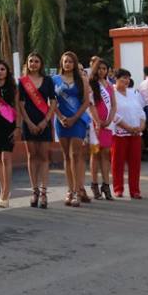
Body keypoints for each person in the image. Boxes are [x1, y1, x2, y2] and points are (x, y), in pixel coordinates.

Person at [16, 52, 57, 209]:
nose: (33, 63)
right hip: (29, 122)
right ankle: (34, 191)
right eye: (31, 61)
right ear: (27, 63)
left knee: (44, 157)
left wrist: (45, 121)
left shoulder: (48, 81)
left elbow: (53, 102)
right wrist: (28, 122)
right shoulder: (23, 81)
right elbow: (20, 103)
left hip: (43, 122)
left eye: (37, 61)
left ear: (41, 64)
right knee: (32, 156)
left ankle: (44, 191)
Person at [52, 51, 92, 207]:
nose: (67, 63)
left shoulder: (82, 79)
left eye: (70, 61)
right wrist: (61, 117)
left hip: (78, 120)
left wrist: (74, 118)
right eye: (64, 61)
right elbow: (52, 101)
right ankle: (69, 190)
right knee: (66, 156)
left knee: (75, 155)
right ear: (61, 63)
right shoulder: (54, 80)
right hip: (61, 121)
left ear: (75, 63)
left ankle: (77, 191)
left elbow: (86, 102)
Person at [0, 59, 20, 208]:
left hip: (9, 123)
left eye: (3, 69)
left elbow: (18, 108)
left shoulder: (13, 88)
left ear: (7, 71)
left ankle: (6, 192)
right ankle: (2, 191)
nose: (0, 72)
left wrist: (18, 127)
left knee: (6, 157)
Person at [110, 69, 145, 199]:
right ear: (116, 79)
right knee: (117, 162)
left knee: (135, 163)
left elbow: (141, 112)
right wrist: (128, 127)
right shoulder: (112, 93)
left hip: (136, 133)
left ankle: (135, 190)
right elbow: (113, 114)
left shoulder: (133, 93)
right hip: (119, 133)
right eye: (123, 78)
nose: (126, 80)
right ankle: (118, 189)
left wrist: (140, 127)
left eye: (128, 78)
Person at [88, 58, 117, 201]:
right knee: (95, 153)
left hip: (107, 124)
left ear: (108, 70)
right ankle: (94, 184)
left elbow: (114, 105)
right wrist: (97, 122)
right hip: (95, 125)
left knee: (106, 154)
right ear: (95, 69)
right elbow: (90, 105)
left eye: (104, 68)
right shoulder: (91, 84)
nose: (102, 71)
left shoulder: (110, 85)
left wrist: (109, 120)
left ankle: (106, 185)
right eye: (99, 68)